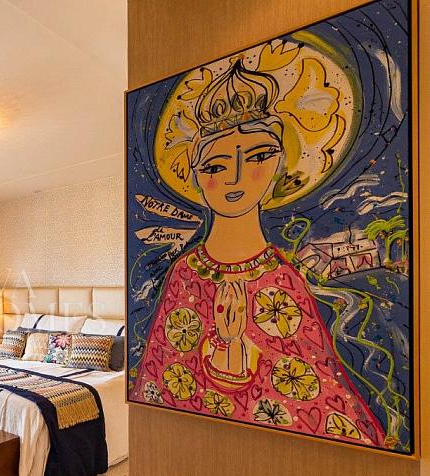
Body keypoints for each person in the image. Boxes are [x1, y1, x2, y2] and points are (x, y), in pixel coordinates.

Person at [130, 60, 387, 447]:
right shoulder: (185, 274)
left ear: (278, 168)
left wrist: (238, 348)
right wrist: (224, 348)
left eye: (256, 158)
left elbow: (315, 398)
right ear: (197, 176)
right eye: (215, 165)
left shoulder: (283, 279)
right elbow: (163, 382)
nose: (234, 178)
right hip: (186, 447)